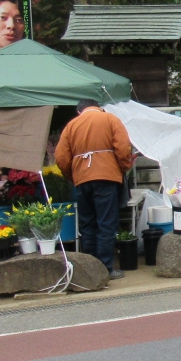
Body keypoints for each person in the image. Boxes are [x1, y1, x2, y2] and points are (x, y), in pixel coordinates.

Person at [55, 100, 135, 279]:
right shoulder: (111, 119)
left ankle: (89, 268)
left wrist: (74, 175)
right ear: (99, 108)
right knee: (106, 223)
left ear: (79, 111)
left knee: (87, 224)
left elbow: (61, 157)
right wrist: (123, 167)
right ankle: (106, 268)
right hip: (106, 177)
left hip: (82, 179)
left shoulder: (71, 125)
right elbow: (123, 148)